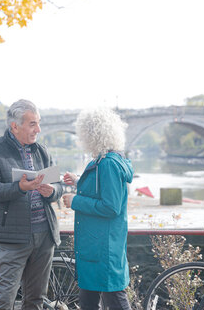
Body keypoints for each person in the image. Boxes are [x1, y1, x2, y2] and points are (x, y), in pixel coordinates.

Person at [0, 99, 63, 310]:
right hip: (12, 238)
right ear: (15, 126)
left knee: (35, 301)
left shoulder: (41, 151)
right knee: (2, 301)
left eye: (38, 123)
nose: (38, 129)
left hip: (45, 235)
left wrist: (52, 191)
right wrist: (21, 188)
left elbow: (59, 186)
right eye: (32, 124)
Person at [62, 108, 134, 310]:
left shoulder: (108, 164)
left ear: (91, 135)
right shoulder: (103, 160)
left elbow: (111, 207)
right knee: (91, 300)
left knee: (113, 299)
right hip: (97, 245)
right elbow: (101, 191)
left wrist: (75, 201)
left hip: (102, 247)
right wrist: (79, 182)